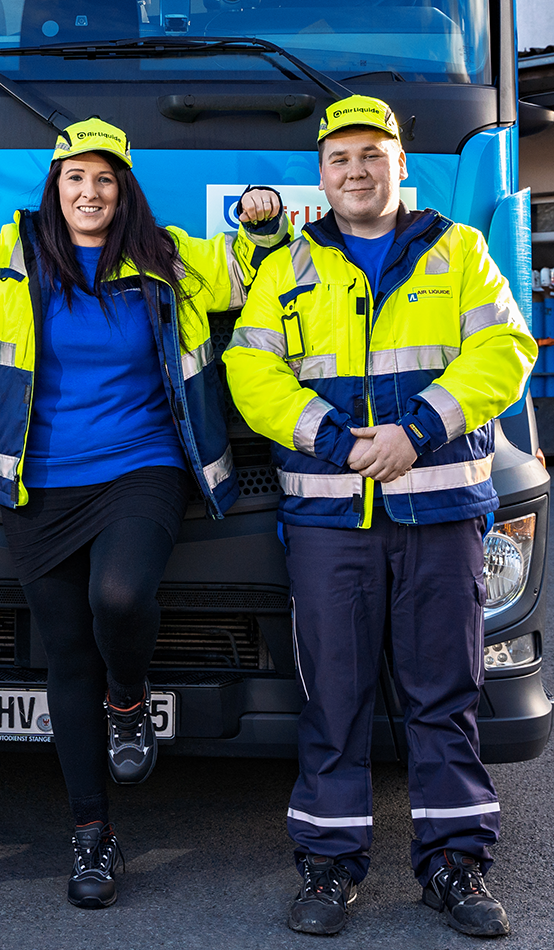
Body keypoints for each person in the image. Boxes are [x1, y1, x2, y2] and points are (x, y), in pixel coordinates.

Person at [0, 117, 289, 908]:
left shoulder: (168, 255)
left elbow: (244, 275)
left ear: (123, 189)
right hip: (38, 485)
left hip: (141, 467)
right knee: (65, 656)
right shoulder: (11, 253)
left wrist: (265, 219)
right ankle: (91, 839)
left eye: (105, 179)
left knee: (119, 597)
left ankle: (130, 703)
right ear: (55, 185)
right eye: (76, 178)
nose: (89, 193)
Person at [223, 95, 537, 938]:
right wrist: (333, 439)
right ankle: (328, 868)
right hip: (331, 522)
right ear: (320, 176)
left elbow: (505, 350)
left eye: (371, 155)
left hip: (438, 510)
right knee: (334, 696)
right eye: (339, 159)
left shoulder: (460, 250)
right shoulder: (288, 266)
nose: (355, 171)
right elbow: (251, 373)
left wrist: (417, 429)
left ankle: (455, 869)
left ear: (402, 164)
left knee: (445, 694)